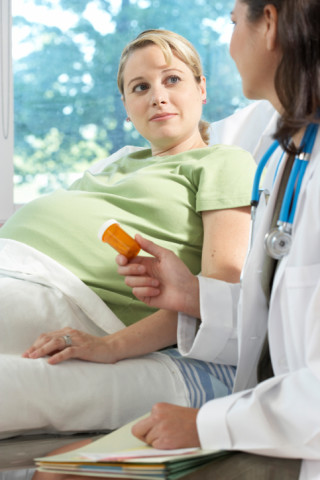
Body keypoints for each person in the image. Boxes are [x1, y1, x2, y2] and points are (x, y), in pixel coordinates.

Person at [0, 29, 256, 441]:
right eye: (141, 87)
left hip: (70, 291)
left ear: (201, 88)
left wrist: (113, 346)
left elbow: (216, 290)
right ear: (126, 105)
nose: (157, 96)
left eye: (172, 79)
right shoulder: (115, 165)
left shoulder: (221, 162)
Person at [115, 1, 320, 479]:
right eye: (139, 87)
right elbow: (276, 333)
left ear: (268, 24)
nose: (229, 47)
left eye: (232, 24)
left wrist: (206, 424)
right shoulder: (284, 152)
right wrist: (192, 295)